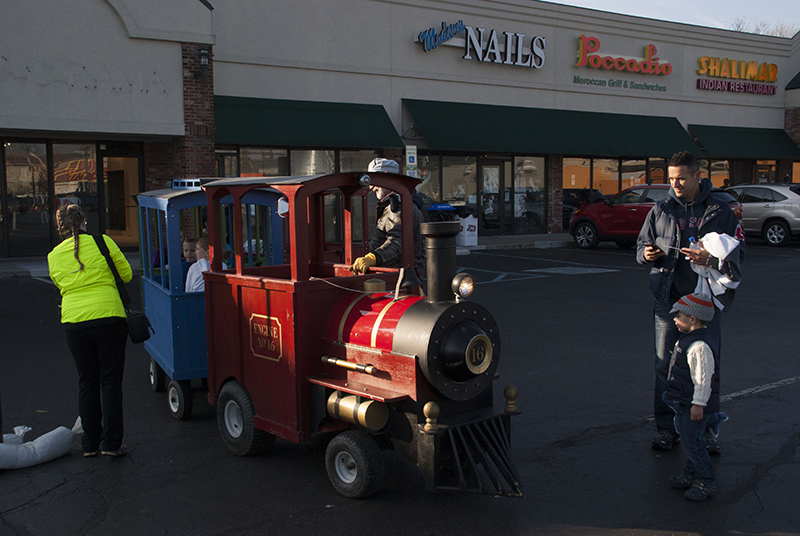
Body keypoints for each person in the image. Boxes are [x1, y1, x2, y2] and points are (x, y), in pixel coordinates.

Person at [636, 151, 743, 452]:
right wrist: (645, 254)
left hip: (705, 304)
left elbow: (738, 256)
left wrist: (710, 258)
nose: (676, 184)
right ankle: (667, 429)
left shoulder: (720, 210)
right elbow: (642, 245)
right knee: (663, 367)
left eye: (681, 177)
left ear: (698, 175)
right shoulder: (661, 209)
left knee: (707, 367)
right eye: (671, 178)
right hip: (668, 300)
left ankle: (707, 432)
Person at [47, 203, 132, 457]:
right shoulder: (103, 242)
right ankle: (112, 444)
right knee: (111, 382)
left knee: (87, 381)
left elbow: (60, 285)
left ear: (60, 229)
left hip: (74, 321)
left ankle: (89, 444)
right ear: (84, 221)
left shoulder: (54, 256)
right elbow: (126, 275)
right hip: (109, 317)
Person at [663, 292, 720, 501]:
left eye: (678, 316)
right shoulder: (690, 340)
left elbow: (703, 379)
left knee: (692, 442)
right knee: (691, 440)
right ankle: (690, 474)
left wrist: (698, 404)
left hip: (695, 405)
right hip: (688, 402)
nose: (675, 320)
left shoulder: (699, 346)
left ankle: (706, 480)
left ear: (693, 319)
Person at [351, 158, 426, 276]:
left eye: (374, 181)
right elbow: (378, 240)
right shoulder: (394, 204)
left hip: (401, 276)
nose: (371, 187)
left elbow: (398, 243)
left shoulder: (398, 206)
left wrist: (374, 257)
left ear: (386, 179)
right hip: (403, 273)